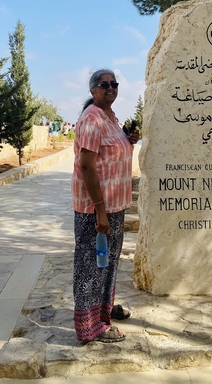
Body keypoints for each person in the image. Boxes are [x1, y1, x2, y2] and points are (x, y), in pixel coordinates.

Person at [72, 69, 139, 343]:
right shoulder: (91, 119)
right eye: (104, 84)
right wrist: (100, 210)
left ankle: (104, 310)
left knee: (107, 263)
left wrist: (128, 140)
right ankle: (90, 327)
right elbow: (87, 165)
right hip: (96, 209)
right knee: (92, 267)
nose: (110, 88)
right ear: (93, 90)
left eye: (114, 84)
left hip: (114, 205)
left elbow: (110, 153)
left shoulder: (110, 117)